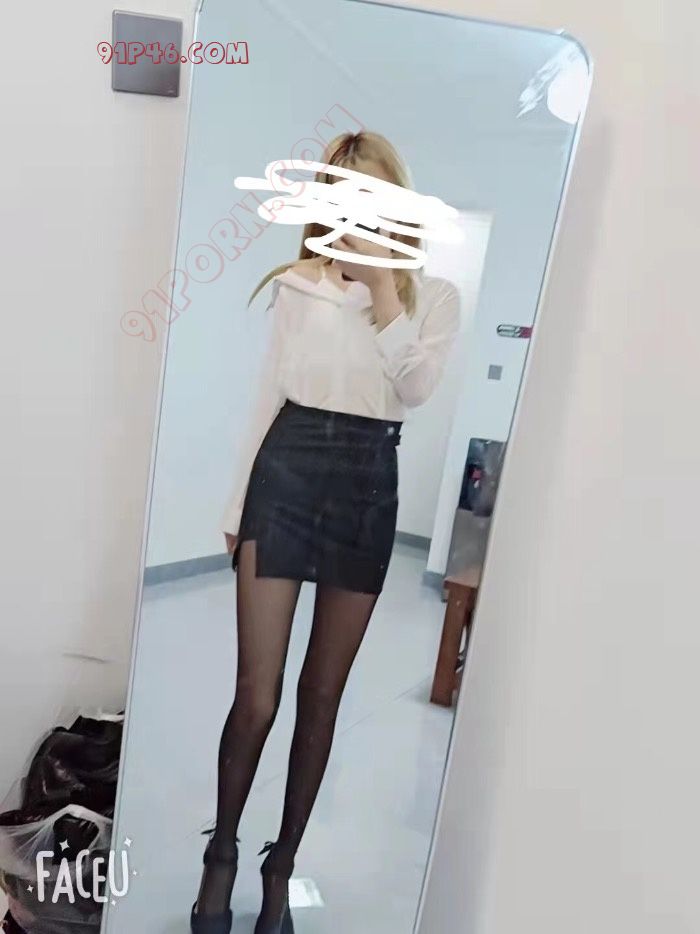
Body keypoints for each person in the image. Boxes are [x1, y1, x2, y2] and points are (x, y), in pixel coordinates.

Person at [191, 131, 460, 934]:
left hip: (367, 483)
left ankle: (280, 867)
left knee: (321, 697)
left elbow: (416, 387)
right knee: (257, 694)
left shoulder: (433, 297)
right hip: (287, 469)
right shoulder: (298, 284)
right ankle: (220, 857)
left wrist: (382, 286)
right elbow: (267, 396)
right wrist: (235, 512)